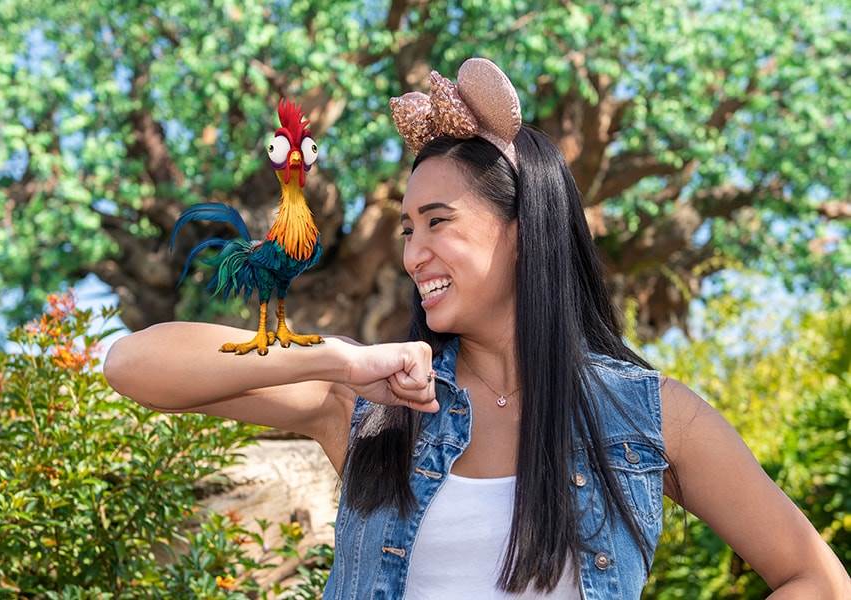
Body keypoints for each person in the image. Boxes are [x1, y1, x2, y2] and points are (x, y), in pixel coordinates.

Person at [103, 59, 849, 599]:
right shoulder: (372, 402)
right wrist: (336, 359)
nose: (412, 254)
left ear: (525, 233)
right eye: (407, 229)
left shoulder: (649, 416)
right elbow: (133, 365)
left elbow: (815, 578)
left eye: (439, 222)